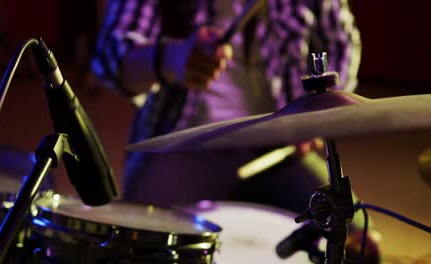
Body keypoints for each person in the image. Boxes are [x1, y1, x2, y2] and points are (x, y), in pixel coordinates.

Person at [92, 0, 361, 216]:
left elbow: (342, 41)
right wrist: (169, 58)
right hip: (185, 145)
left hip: (279, 148)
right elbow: (110, 56)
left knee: (353, 239)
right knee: (142, 237)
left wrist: (321, 107)